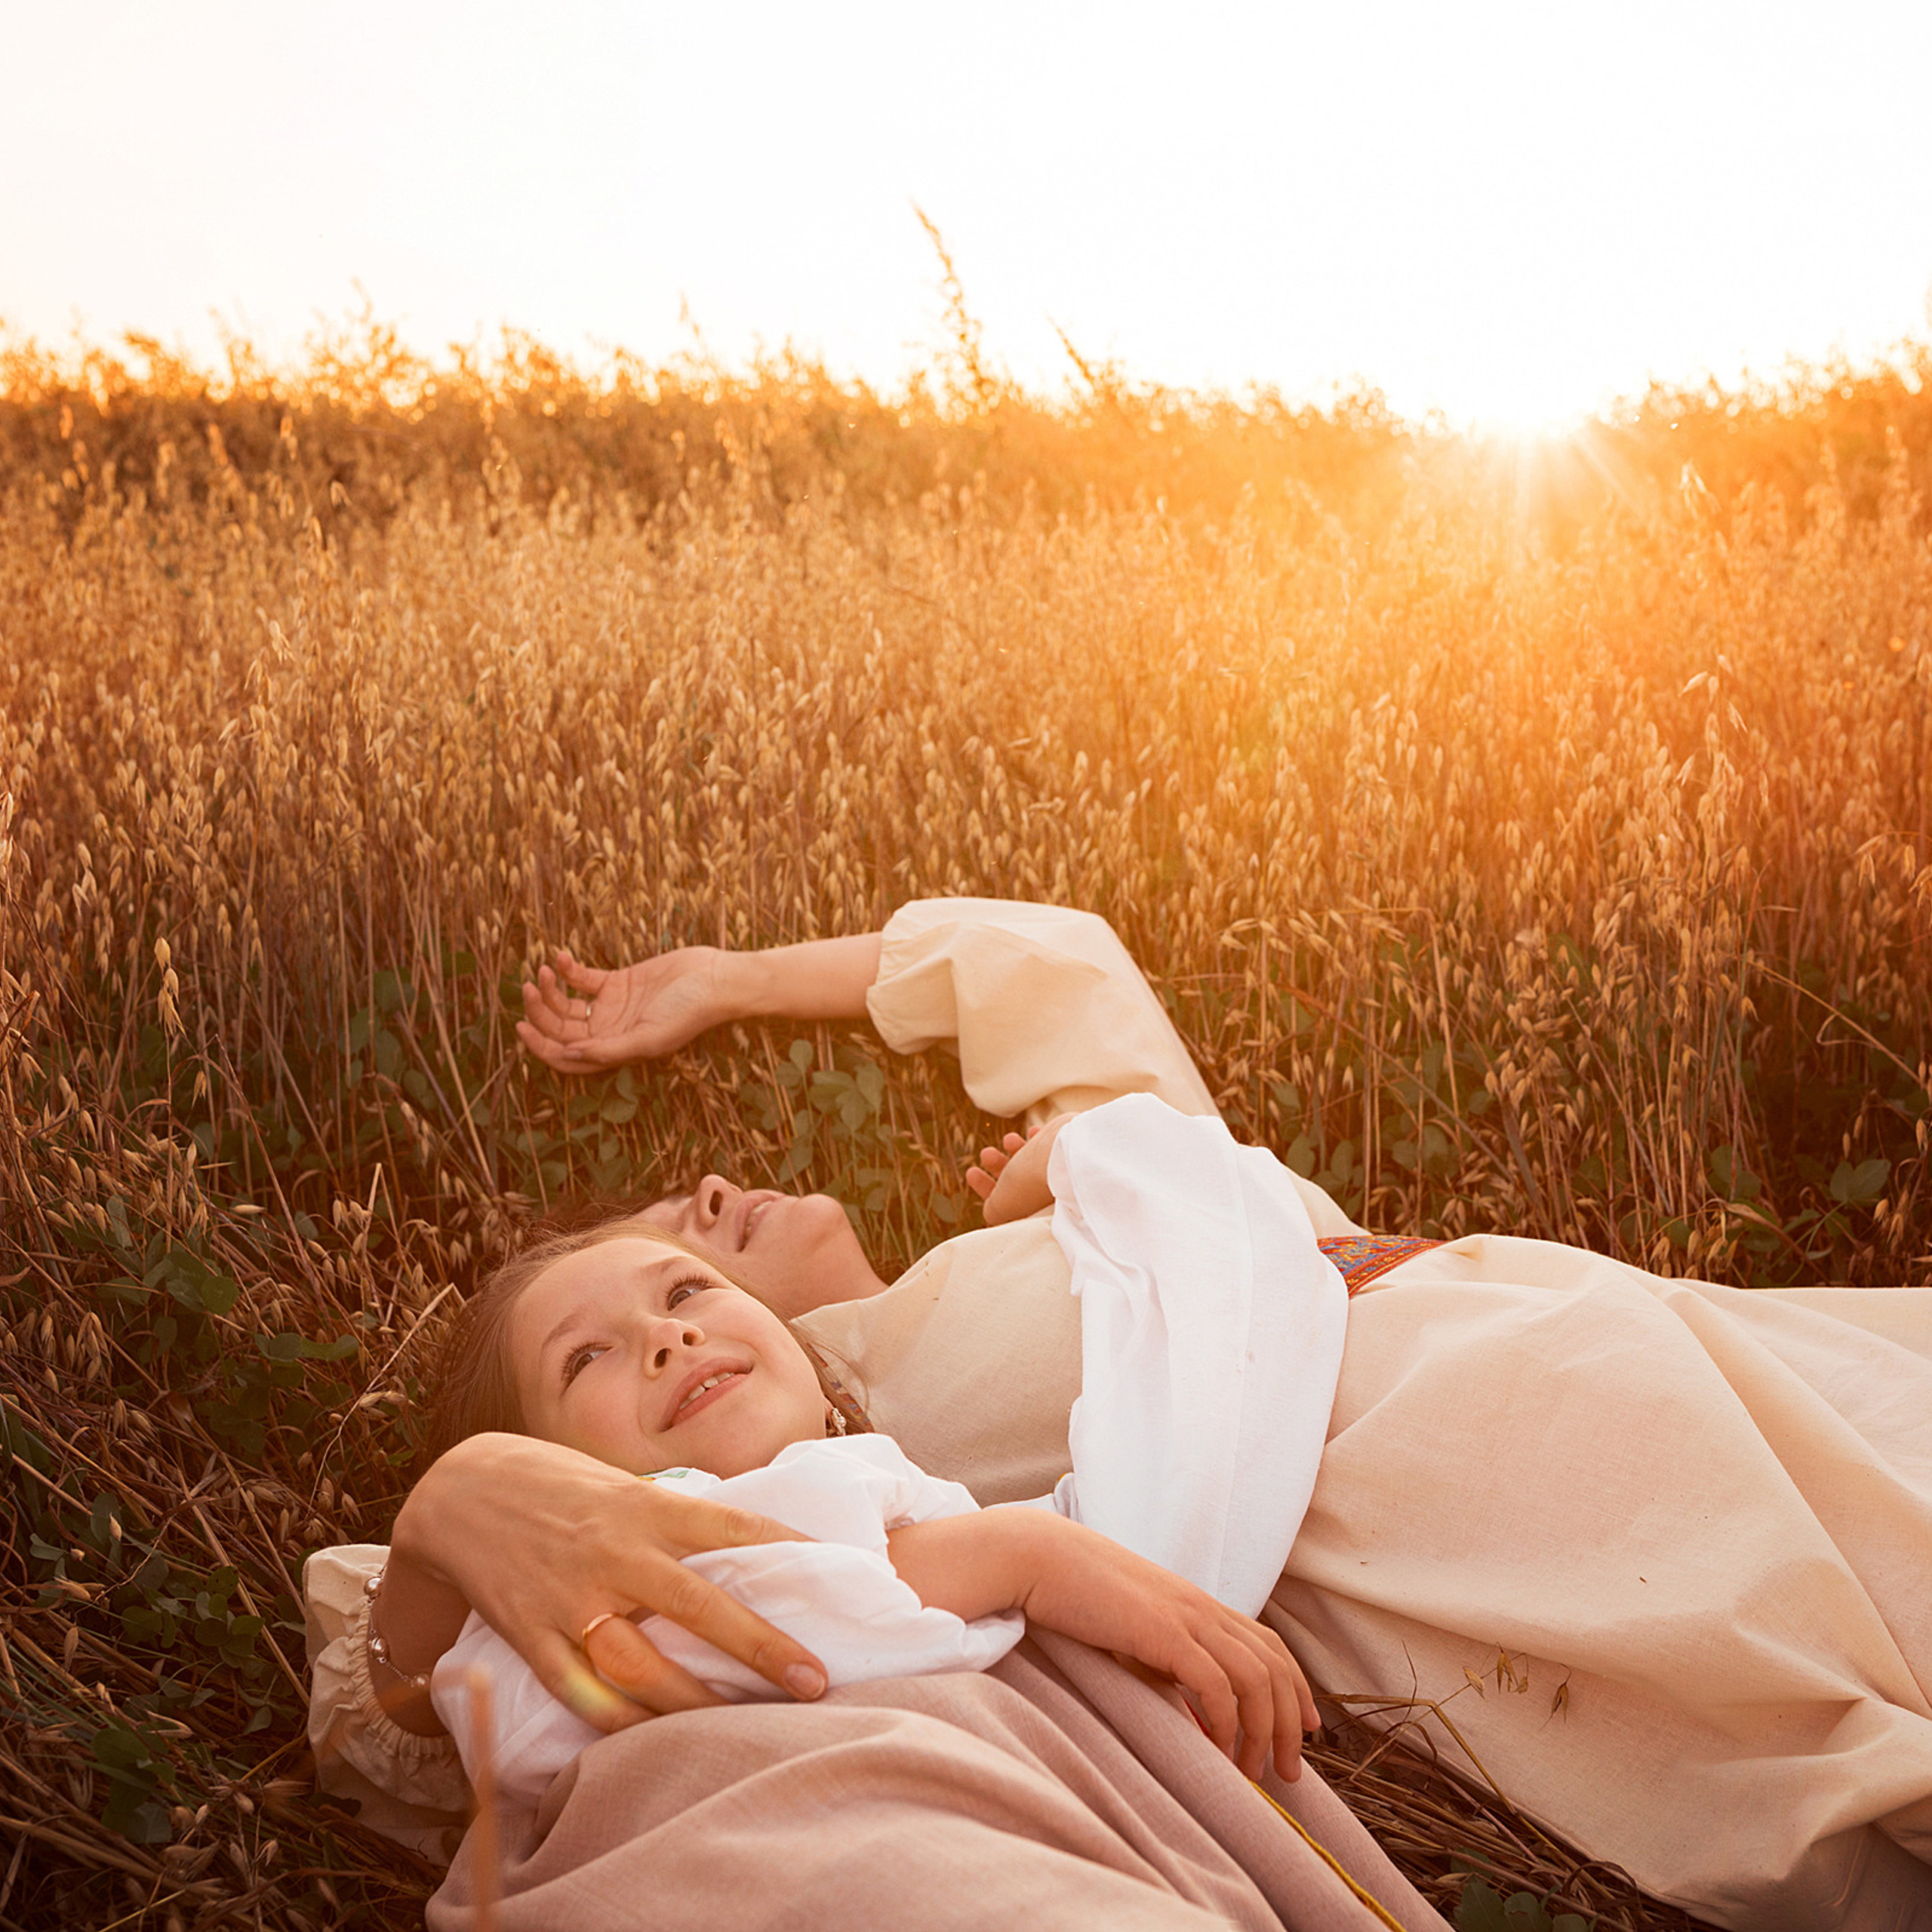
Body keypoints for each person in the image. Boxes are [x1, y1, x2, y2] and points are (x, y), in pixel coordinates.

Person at [307, 898, 1932, 1932]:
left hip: (1596, 1316)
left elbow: (1060, 961)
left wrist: (728, 982)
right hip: (1466, 1481)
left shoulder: (1075, 1205)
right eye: (667, 1237)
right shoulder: (872, 1438)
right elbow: (402, 1662)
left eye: (678, 1266)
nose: (699, 1233)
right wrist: (473, 1483)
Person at [406, 1204, 1320, 1814]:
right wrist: (1019, 1553)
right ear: (545, 1478)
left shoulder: (898, 1483)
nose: (666, 1335)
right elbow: (754, 1604)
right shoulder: (592, 1580)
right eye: (583, 1358)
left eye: (686, 1291)